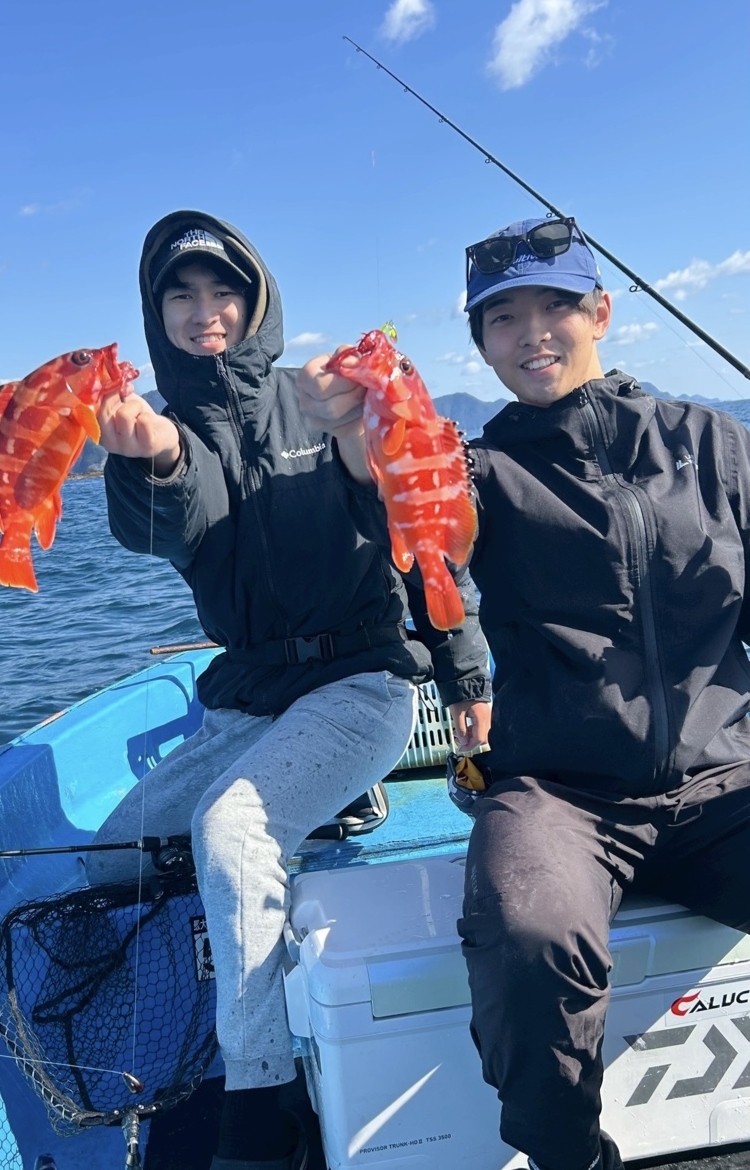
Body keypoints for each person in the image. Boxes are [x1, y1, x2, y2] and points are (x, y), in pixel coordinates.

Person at [297, 216, 750, 1170]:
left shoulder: (712, 443)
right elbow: (405, 527)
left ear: (602, 311)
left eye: (556, 305)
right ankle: (569, 1154)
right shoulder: (480, 470)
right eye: (504, 318)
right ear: (481, 344)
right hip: (563, 793)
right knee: (527, 934)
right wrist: (352, 436)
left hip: (728, 780)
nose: (533, 332)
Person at [88, 210, 492, 1170]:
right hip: (247, 696)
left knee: (230, 830)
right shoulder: (154, 424)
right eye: (179, 295)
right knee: (110, 857)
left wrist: (464, 667)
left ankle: (261, 1099)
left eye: (221, 289)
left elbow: (415, 528)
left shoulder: (313, 399)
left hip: (359, 680)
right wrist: (156, 460)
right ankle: (321, 814)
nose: (203, 312)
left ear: (255, 297)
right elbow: (162, 532)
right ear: (157, 315)